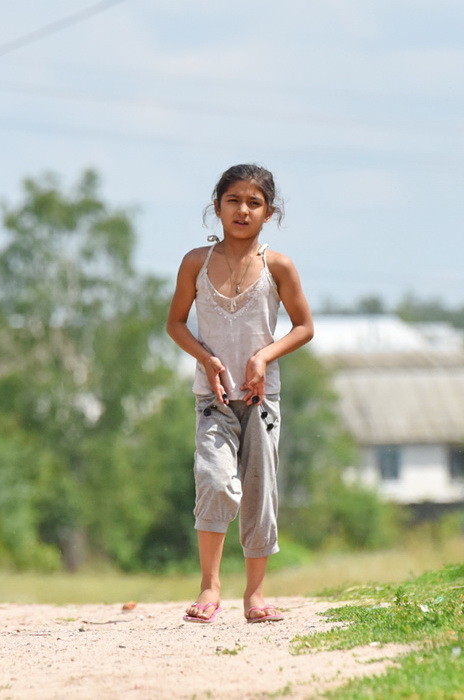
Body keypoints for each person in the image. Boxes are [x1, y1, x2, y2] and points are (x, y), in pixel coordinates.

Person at [166, 164, 314, 623]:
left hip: (260, 399)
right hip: (213, 399)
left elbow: (304, 327)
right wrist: (206, 359)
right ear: (217, 208)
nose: (243, 210)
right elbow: (175, 323)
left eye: (254, 202)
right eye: (234, 201)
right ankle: (210, 587)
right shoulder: (196, 262)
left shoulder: (279, 266)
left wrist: (264, 356)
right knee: (212, 482)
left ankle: (256, 595)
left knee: (260, 491)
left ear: (269, 213)